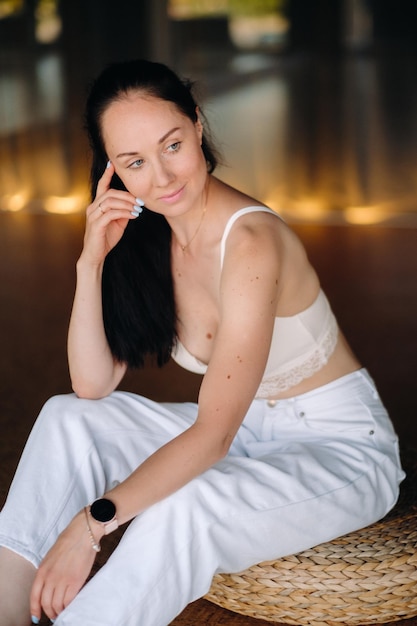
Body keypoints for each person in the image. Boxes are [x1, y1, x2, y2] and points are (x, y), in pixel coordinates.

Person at [0, 59, 404, 626]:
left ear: (196, 123)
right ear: (112, 171)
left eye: (172, 145)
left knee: (185, 506)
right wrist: (91, 262)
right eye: (134, 162)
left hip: (339, 447)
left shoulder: (251, 243)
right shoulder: (144, 237)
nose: (162, 179)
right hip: (247, 431)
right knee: (66, 417)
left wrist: (90, 524)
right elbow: (91, 384)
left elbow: (212, 436)